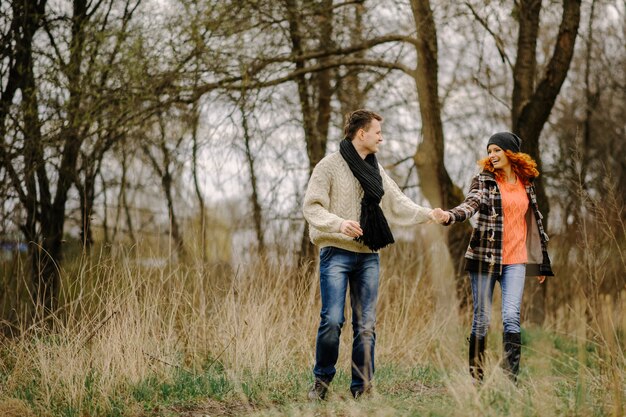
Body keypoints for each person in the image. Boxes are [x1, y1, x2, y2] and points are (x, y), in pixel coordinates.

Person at [303, 109, 434, 400]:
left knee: (365, 326)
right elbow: (311, 207)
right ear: (361, 133)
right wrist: (339, 224)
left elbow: (397, 201)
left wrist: (430, 214)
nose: (381, 138)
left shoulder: (376, 169)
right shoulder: (328, 166)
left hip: (368, 257)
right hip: (335, 252)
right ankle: (321, 382)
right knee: (333, 320)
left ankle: (361, 389)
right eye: (377, 132)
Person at [431, 132, 553, 383]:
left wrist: (541, 261)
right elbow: (470, 205)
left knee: (511, 316)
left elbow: (535, 223)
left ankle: (511, 380)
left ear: (510, 153)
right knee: (482, 318)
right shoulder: (484, 181)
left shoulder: (526, 183)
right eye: (489, 151)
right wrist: (450, 216)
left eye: (497, 150)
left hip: (516, 259)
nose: (492, 155)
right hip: (485, 259)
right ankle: (477, 377)